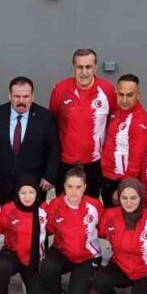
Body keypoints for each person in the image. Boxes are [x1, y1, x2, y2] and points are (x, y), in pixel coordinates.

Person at [0, 76, 61, 206]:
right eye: (17, 96)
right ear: (9, 96)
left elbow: (54, 149)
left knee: (34, 217)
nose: (21, 101)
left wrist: (50, 176)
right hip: (6, 181)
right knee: (7, 215)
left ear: (32, 97)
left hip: (36, 183)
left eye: (25, 96)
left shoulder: (46, 117)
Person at [50, 49, 114, 199]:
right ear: (73, 67)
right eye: (79, 67)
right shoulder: (60, 89)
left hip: (95, 162)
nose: (84, 72)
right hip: (65, 161)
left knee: (91, 204)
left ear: (95, 67)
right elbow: (52, 123)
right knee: (64, 204)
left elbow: (113, 123)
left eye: (88, 67)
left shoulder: (108, 90)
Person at [40, 167, 103, 294]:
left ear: (85, 187)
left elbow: (104, 230)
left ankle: (89, 276)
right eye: (70, 186)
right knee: (47, 267)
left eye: (78, 187)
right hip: (63, 251)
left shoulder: (95, 206)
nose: (74, 191)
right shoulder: (55, 205)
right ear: (64, 186)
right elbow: (48, 229)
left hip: (87, 256)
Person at [0, 177, 49, 294]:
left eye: (31, 192)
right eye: (23, 193)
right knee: (2, 266)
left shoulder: (44, 209)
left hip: (33, 258)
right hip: (13, 254)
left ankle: (26, 279)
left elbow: (53, 229)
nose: (27, 197)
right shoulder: (8, 209)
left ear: (37, 193)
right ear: (17, 193)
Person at [100, 74, 147, 205]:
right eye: (121, 94)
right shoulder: (116, 111)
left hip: (121, 181)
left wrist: (124, 188)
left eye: (129, 95)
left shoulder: (139, 120)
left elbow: (136, 160)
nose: (124, 100)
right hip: (107, 176)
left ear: (138, 95)